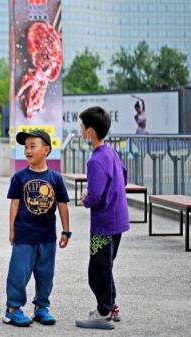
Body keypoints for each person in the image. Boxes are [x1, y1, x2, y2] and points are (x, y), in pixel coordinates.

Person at [3, 130, 71, 327]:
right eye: (26, 147)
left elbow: (63, 205)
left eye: (33, 146)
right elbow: (14, 203)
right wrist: (11, 230)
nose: (28, 150)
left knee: (46, 274)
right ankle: (12, 309)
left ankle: (41, 307)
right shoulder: (19, 177)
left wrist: (66, 231)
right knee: (18, 272)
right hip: (24, 234)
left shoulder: (56, 178)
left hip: (47, 236)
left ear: (46, 150)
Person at [75, 106, 130, 330]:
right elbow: (124, 177)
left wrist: (85, 199)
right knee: (105, 266)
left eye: (82, 127)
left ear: (90, 132)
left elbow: (95, 195)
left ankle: (104, 312)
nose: (80, 130)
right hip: (118, 221)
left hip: (103, 226)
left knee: (97, 270)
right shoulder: (111, 152)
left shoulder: (95, 160)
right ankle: (111, 306)